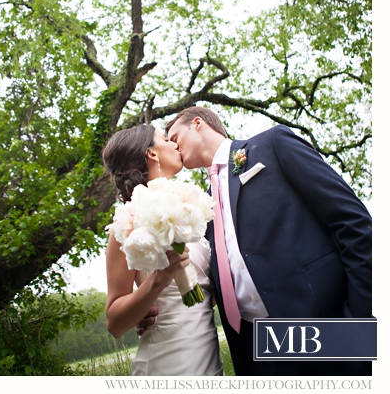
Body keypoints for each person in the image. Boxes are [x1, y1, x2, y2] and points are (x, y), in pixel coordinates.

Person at [150, 106, 372, 376]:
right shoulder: (203, 204)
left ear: (197, 123)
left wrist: (360, 323)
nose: (173, 147)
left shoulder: (272, 145)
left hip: (324, 326)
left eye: (174, 137)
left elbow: (353, 222)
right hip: (257, 352)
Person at [102, 124, 224, 376]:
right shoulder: (126, 223)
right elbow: (114, 323)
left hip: (207, 352)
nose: (174, 144)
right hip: (166, 360)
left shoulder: (191, 208)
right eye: (166, 139)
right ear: (152, 154)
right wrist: (157, 281)